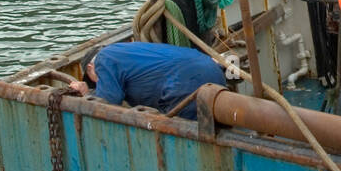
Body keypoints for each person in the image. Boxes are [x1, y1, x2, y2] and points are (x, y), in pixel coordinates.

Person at [71, 41, 226, 120]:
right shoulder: (128, 49)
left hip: (186, 84)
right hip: (211, 68)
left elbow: (108, 102)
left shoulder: (104, 58)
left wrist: (86, 94)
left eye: (95, 81)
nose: (98, 83)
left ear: (90, 68)